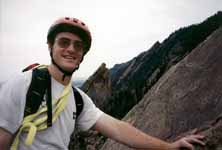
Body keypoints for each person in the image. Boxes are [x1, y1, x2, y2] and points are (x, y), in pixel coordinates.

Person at [0, 17, 205, 150]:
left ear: (82, 55)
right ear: (50, 46)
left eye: (78, 46)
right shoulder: (23, 85)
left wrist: (168, 147)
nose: (71, 49)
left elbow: (119, 129)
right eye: (64, 42)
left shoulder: (78, 99)